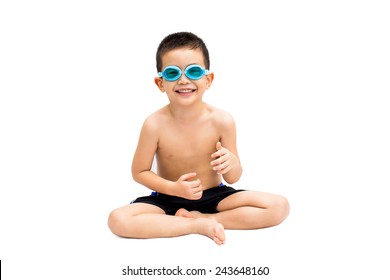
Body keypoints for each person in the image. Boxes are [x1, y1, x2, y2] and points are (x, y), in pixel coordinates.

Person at [108, 31, 289, 245]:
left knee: (279, 206)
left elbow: (233, 177)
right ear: (160, 83)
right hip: (167, 198)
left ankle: (205, 218)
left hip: (215, 195)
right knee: (118, 219)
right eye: (173, 73)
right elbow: (139, 172)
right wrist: (173, 188)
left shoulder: (222, 120)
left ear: (208, 79)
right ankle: (195, 225)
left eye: (193, 71)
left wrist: (231, 163)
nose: (184, 80)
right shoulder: (154, 124)